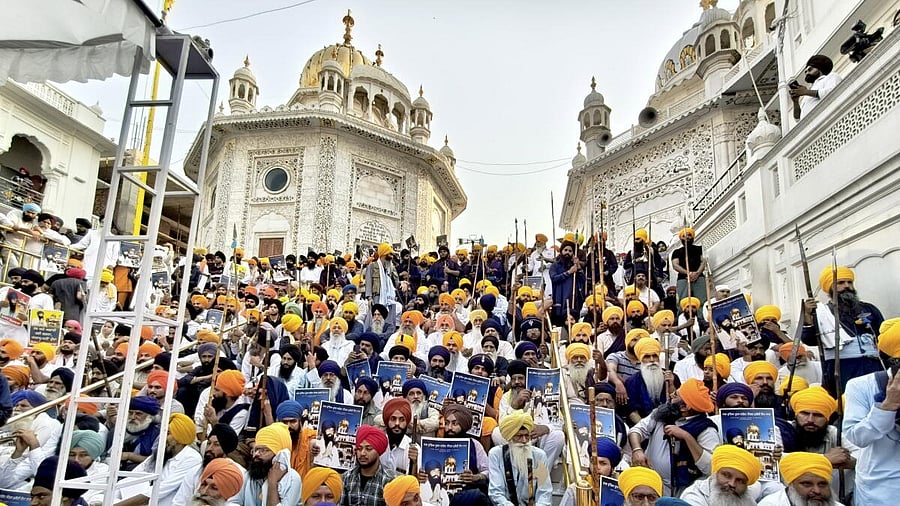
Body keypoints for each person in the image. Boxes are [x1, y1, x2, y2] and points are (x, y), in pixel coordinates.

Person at [801, 265, 884, 396]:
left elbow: (883, 336)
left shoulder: (868, 308)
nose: (846, 286)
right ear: (830, 288)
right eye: (840, 283)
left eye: (849, 282)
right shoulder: (821, 312)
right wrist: (807, 315)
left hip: (871, 366)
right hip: (842, 369)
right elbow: (809, 339)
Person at [842, 321, 900, 506]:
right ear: (894, 362)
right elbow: (857, 437)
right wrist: (888, 406)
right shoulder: (861, 386)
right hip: (880, 490)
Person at [628, 379, 719, 495]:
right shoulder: (662, 413)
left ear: (685, 407)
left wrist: (686, 437)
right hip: (650, 484)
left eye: (676, 395)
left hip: (684, 493)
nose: (671, 395)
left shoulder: (706, 430)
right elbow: (636, 430)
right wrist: (637, 450)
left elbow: (711, 468)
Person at [115, 413, 203, 505]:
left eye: (168, 433)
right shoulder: (162, 452)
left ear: (179, 437)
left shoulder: (192, 458)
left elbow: (160, 489)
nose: (163, 438)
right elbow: (134, 476)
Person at [789, 386, 856, 496]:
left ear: (827, 419)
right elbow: (777, 459)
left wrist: (847, 461)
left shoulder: (833, 432)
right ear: (796, 415)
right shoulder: (784, 430)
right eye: (805, 413)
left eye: (818, 415)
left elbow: (861, 456)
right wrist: (825, 460)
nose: (810, 420)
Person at [487, 411, 552, 506]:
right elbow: (496, 492)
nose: (524, 441)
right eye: (519, 436)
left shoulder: (539, 455)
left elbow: (545, 492)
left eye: (527, 436)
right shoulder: (496, 454)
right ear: (510, 437)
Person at [234, 422, 302, 505]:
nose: (257, 454)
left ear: (279, 455)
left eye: (264, 450)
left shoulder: (292, 479)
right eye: (256, 449)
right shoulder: (249, 476)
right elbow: (234, 501)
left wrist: (272, 483)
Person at [680, 445, 762, 506]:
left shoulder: (746, 498)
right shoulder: (694, 497)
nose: (732, 484)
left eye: (740, 481)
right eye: (727, 475)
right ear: (715, 473)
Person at [339, 425, 397, 506]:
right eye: (359, 448)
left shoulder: (391, 480)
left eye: (368, 449)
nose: (362, 453)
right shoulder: (346, 478)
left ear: (378, 451)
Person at [758, 452, 842, 506]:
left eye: (822, 484)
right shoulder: (771, 504)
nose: (817, 491)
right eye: (807, 484)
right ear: (791, 485)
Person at [790, 55, 842, 120]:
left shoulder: (831, 76)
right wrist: (796, 102)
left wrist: (805, 92)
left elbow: (832, 93)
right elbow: (798, 119)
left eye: (810, 69)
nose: (807, 73)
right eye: (805, 72)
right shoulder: (807, 94)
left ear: (819, 69)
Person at [549, 239, 585, 327]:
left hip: (572, 298)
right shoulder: (555, 266)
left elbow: (582, 280)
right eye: (565, 250)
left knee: (572, 321)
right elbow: (554, 278)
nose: (567, 253)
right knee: (559, 322)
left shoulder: (574, 266)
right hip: (559, 297)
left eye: (570, 251)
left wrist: (579, 268)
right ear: (561, 251)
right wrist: (568, 272)